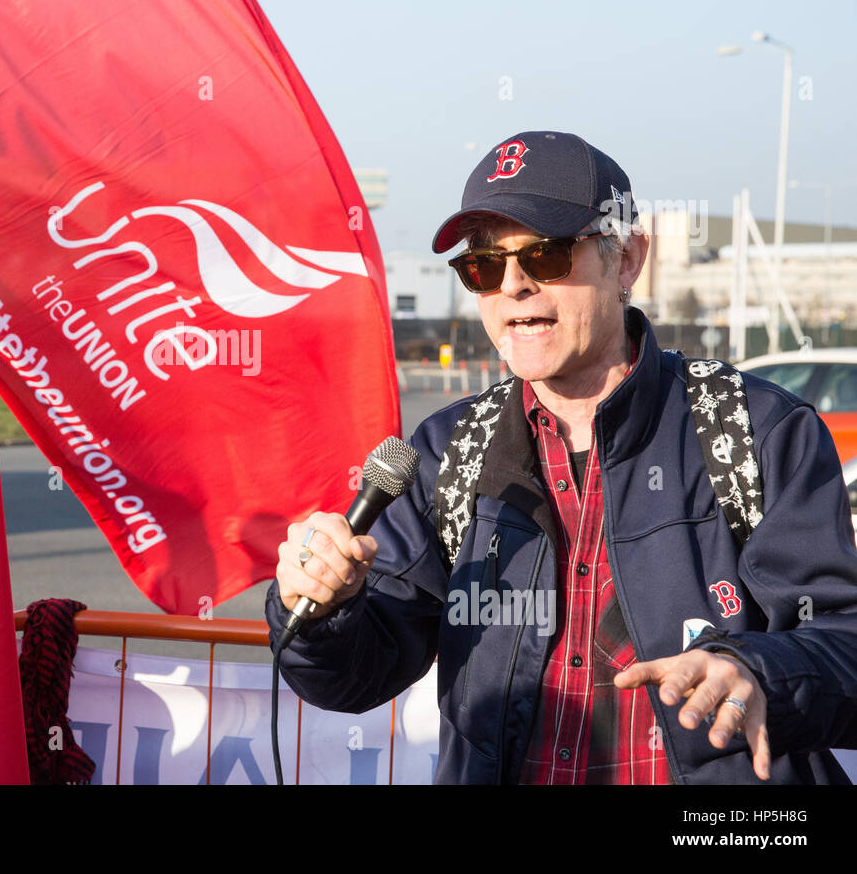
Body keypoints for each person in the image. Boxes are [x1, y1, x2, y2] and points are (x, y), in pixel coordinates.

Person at [267, 130, 857, 784]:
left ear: (627, 258)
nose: (513, 286)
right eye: (485, 266)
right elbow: (355, 678)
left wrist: (756, 671)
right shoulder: (449, 451)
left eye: (544, 255)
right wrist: (321, 610)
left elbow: (844, 643)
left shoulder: (756, 431)